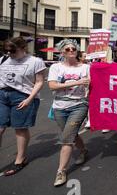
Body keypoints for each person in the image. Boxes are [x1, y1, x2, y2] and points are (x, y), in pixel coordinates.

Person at [0, 37, 46, 175]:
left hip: (22, 96)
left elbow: (39, 81)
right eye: (7, 51)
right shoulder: (3, 60)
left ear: (23, 48)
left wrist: (29, 99)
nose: (10, 54)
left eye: (13, 51)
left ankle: (20, 159)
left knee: (20, 128)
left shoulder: (35, 62)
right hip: (2, 95)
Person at [48, 39, 90, 186]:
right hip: (59, 106)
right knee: (71, 134)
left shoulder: (86, 67)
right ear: (62, 52)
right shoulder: (55, 67)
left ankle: (61, 171)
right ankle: (84, 150)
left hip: (79, 105)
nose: (71, 51)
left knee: (66, 139)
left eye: (73, 48)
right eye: (67, 49)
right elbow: (52, 86)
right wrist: (77, 82)